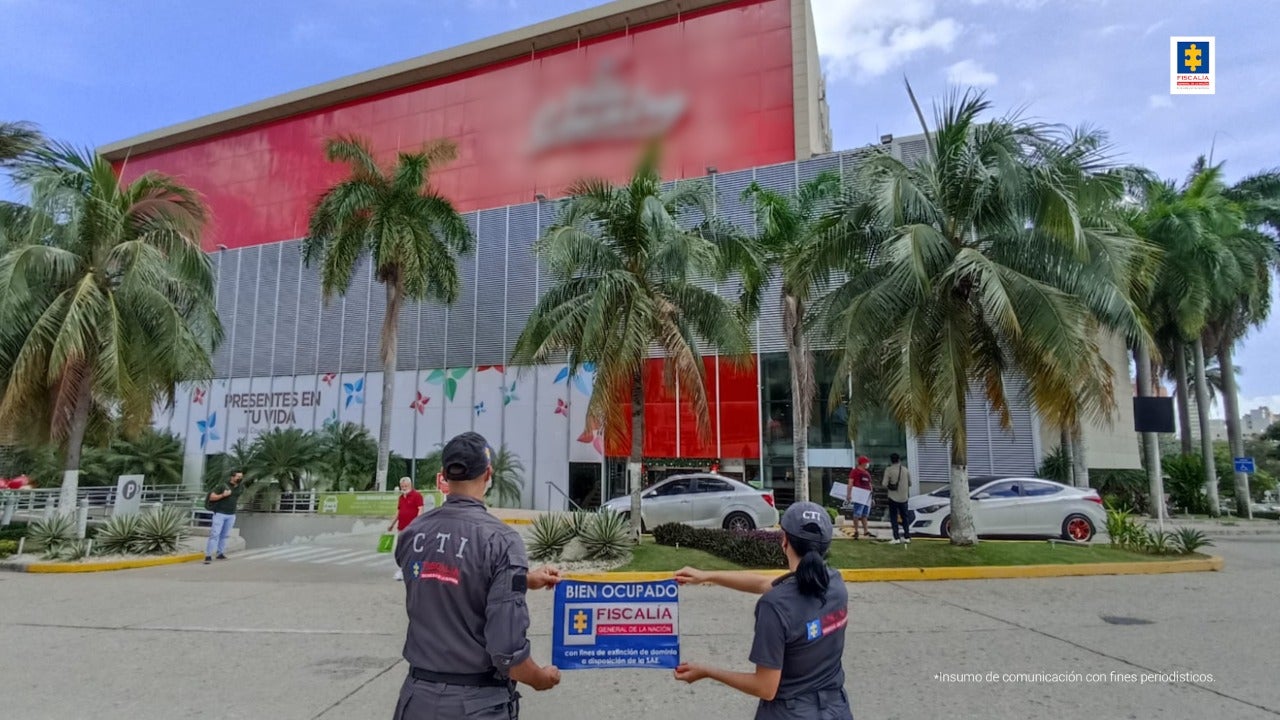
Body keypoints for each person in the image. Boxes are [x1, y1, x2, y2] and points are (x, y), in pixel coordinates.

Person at [393, 431, 562, 719]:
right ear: (488, 473)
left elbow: (442, 578)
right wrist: (540, 678)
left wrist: (523, 580)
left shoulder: (413, 533)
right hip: (476, 705)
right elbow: (508, 654)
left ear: (445, 474)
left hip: (415, 698)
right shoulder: (501, 541)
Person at [673, 502, 852, 720]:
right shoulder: (835, 583)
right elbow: (764, 584)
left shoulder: (775, 605)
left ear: (784, 541)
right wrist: (707, 576)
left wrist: (707, 671)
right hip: (836, 709)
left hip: (790, 714)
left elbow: (765, 687)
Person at [389, 477, 426, 581]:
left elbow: (420, 510)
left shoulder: (417, 496)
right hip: (401, 528)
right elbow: (398, 512)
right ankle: (402, 570)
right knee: (401, 550)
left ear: (411, 485)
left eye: (406, 486)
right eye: (402, 486)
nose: (404, 488)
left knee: (413, 550)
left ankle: (416, 571)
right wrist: (392, 524)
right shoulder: (401, 498)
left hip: (413, 529)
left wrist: (417, 524)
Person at [205, 471, 244, 564]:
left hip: (231, 514)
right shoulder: (223, 486)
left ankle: (220, 553)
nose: (240, 478)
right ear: (232, 477)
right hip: (220, 513)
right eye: (238, 476)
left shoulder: (240, 487)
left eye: (241, 477)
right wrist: (223, 495)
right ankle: (208, 555)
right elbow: (211, 497)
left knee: (224, 535)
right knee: (215, 534)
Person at [881, 453, 913, 544]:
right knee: (905, 517)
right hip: (904, 498)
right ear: (899, 460)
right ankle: (907, 537)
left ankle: (896, 538)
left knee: (894, 518)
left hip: (893, 497)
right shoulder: (905, 470)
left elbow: (884, 484)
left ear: (891, 460)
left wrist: (891, 485)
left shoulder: (889, 470)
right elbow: (910, 483)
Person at [845, 456, 874, 539]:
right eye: (866, 462)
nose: (867, 464)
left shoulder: (867, 473)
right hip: (859, 495)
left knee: (865, 514)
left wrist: (872, 497)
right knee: (857, 514)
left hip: (867, 496)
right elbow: (850, 482)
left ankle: (866, 531)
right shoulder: (855, 472)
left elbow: (870, 485)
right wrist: (849, 494)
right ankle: (856, 531)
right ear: (862, 463)